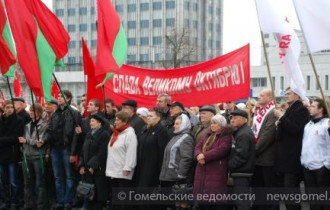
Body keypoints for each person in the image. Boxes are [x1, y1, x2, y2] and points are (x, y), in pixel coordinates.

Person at [41, 90, 82, 210]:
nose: (58, 98)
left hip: (67, 149)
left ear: (68, 98)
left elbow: (76, 135)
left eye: (61, 96)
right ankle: (60, 201)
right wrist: (43, 140)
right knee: (58, 177)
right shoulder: (55, 114)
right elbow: (49, 130)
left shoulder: (74, 113)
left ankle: (68, 201)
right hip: (55, 149)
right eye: (58, 96)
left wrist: (73, 152)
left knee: (69, 176)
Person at [274, 87, 310, 210]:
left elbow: (296, 129)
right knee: (286, 192)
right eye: (285, 93)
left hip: (292, 157)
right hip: (284, 158)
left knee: (290, 191)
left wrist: (282, 118)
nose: (285, 95)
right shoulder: (291, 109)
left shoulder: (301, 109)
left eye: (289, 93)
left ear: (297, 95)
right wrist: (279, 123)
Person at [194, 114, 232, 209]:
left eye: (215, 123)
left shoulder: (226, 136)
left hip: (216, 169)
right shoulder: (208, 135)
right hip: (202, 168)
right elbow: (198, 146)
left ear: (221, 125)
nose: (212, 125)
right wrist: (198, 155)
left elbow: (221, 150)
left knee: (213, 199)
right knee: (202, 199)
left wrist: (204, 156)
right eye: (212, 123)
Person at [159, 114, 194, 210]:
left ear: (184, 124)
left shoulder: (186, 137)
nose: (174, 126)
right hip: (169, 176)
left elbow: (186, 158)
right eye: (175, 123)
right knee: (172, 204)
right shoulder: (176, 136)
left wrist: (180, 175)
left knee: (180, 204)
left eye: (177, 124)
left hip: (176, 178)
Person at [301, 98, 330, 210]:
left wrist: (326, 165)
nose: (310, 108)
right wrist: (303, 160)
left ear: (321, 109)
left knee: (324, 199)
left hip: (321, 167)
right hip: (308, 166)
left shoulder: (327, 125)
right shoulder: (308, 125)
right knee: (313, 200)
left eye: (313, 106)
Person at [18, 103, 48, 210]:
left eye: (33, 111)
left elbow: (40, 143)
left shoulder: (44, 125)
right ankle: (28, 205)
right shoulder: (27, 126)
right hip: (26, 157)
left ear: (39, 113)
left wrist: (27, 141)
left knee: (40, 183)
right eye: (30, 111)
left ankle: (41, 205)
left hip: (38, 157)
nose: (31, 113)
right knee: (27, 183)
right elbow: (25, 141)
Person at [106, 111, 137, 210]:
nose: (115, 122)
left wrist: (128, 167)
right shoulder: (116, 133)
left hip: (123, 171)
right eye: (115, 119)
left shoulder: (130, 134)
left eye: (118, 120)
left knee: (123, 196)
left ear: (125, 121)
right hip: (114, 169)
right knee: (115, 196)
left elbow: (131, 152)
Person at [79, 113, 111, 210]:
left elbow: (102, 152)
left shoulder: (104, 134)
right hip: (87, 168)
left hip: (98, 168)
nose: (90, 123)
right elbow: (83, 150)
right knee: (89, 191)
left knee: (99, 191)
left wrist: (92, 166)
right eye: (90, 121)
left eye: (93, 121)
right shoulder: (89, 133)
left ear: (99, 123)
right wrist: (82, 165)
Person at [252, 89, 277, 200]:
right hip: (257, 158)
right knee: (258, 188)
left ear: (270, 98)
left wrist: (254, 150)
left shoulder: (273, 112)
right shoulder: (259, 111)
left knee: (268, 189)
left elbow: (267, 134)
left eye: (262, 95)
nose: (258, 97)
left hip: (267, 157)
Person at [135, 109, 169, 188]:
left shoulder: (161, 130)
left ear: (158, 118)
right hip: (140, 165)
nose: (148, 118)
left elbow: (162, 151)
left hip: (152, 167)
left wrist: (159, 169)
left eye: (151, 116)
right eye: (147, 116)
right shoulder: (144, 129)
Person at [0, 100, 25, 210]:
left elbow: (16, 138)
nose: (9, 109)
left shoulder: (18, 120)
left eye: (11, 107)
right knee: (3, 180)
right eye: (7, 107)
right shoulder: (1, 120)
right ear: (4, 108)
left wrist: (8, 139)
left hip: (12, 155)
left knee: (13, 181)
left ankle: (15, 201)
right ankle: (5, 201)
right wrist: (10, 139)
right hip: (1, 155)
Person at [229, 110, 255, 210]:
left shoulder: (243, 134)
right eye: (232, 117)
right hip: (241, 172)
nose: (232, 120)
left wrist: (229, 165)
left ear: (243, 119)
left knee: (242, 202)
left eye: (235, 117)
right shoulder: (240, 131)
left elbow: (241, 155)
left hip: (242, 173)